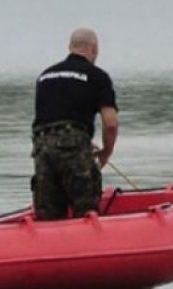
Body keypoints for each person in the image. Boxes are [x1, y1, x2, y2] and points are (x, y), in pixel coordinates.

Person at [31, 28, 119, 220]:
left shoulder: (45, 76)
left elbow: (50, 116)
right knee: (86, 210)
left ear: (70, 47)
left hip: (41, 147)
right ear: (94, 49)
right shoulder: (97, 76)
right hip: (73, 146)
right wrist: (106, 151)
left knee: (48, 215)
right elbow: (111, 123)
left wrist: (80, 139)